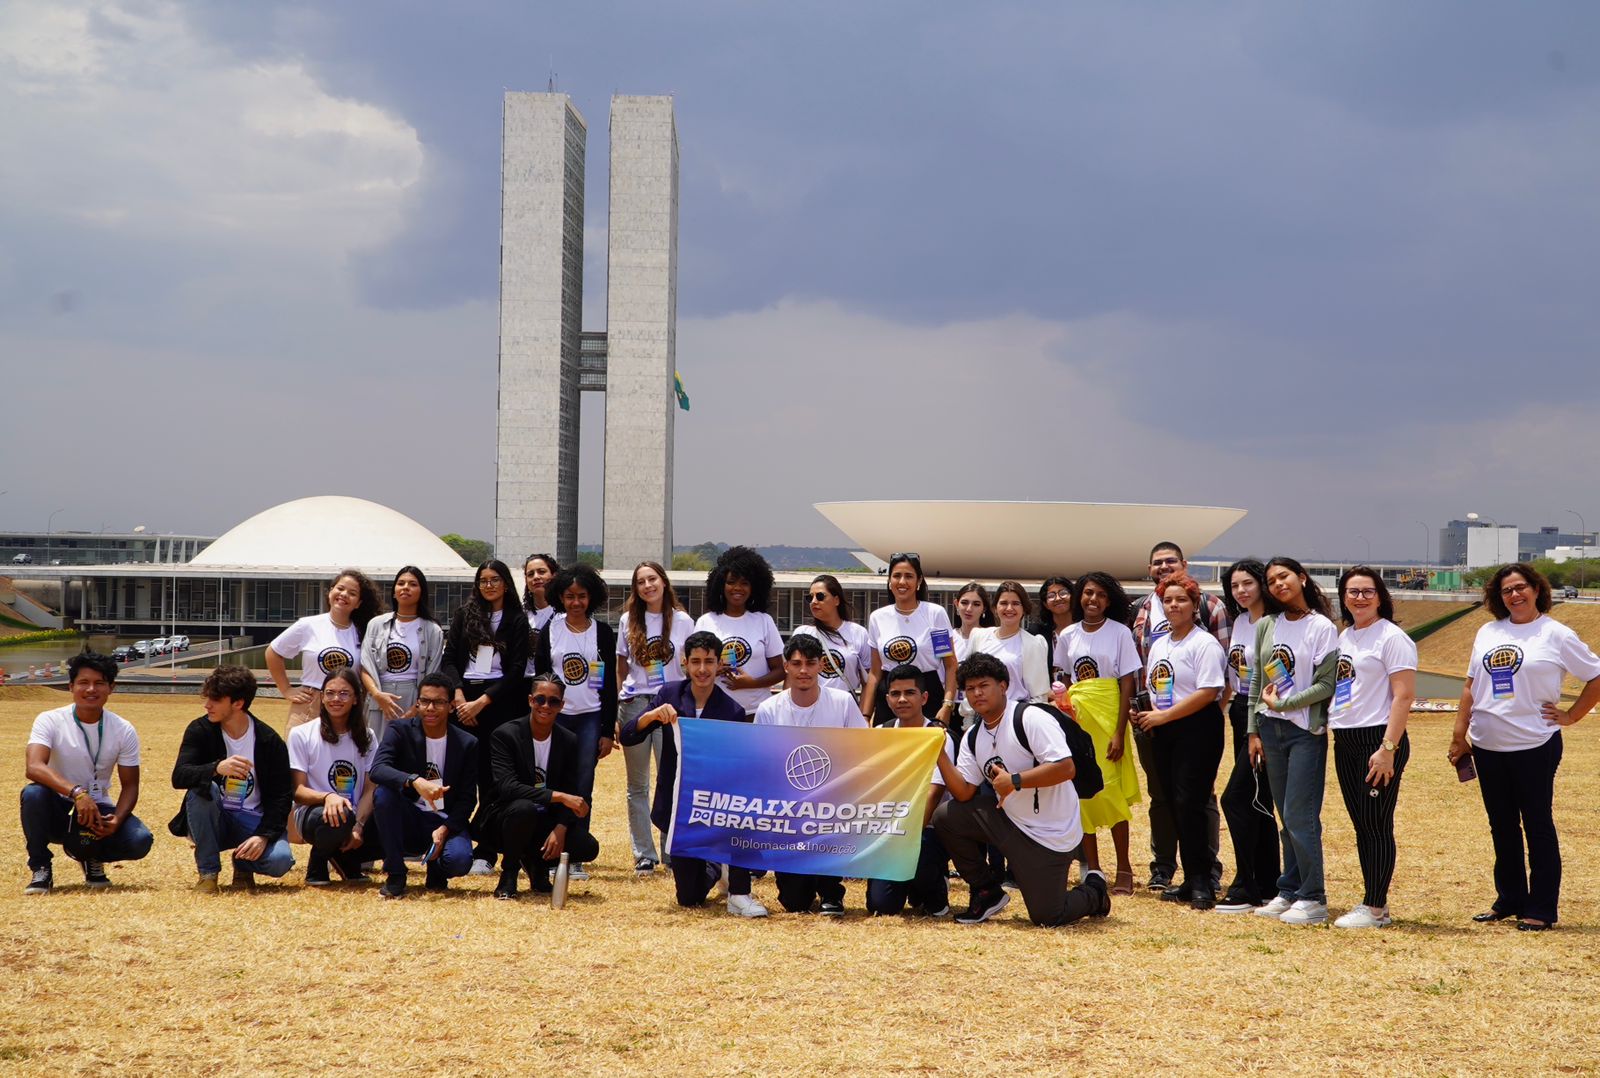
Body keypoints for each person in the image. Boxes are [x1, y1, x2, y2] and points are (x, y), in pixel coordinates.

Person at [1448, 563, 1600, 932]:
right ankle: (1510, 898)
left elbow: (1595, 676)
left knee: (1537, 825)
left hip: (1534, 743)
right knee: (1501, 825)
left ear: (1536, 589)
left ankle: (1542, 907)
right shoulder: (1488, 631)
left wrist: (1573, 715)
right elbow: (1471, 686)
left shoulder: (1556, 634)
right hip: (1487, 744)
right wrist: (1459, 732)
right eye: (1506, 591)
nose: (1514, 595)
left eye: (1520, 587)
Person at [932, 653, 1110, 926]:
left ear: (1003, 686)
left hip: (1050, 834)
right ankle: (987, 891)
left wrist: (1015, 781)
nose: (977, 693)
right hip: (1010, 824)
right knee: (947, 816)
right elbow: (965, 793)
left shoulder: (1030, 718)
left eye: (984, 685)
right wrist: (939, 753)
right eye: (970, 688)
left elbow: (1065, 768)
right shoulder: (973, 736)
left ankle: (1095, 891)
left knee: (1048, 916)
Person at [620, 630, 768, 916]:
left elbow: (737, 767)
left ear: (719, 664)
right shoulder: (669, 694)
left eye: (709, 662)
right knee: (689, 899)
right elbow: (628, 737)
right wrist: (651, 716)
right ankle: (714, 867)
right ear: (684, 662)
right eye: (696, 661)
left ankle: (730, 877)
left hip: (715, 806)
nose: (702, 669)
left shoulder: (732, 711)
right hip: (678, 806)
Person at [1127, 541, 1228, 892]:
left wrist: (1163, 717)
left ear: (1194, 604)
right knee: (1172, 801)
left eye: (1181, 600)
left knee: (1194, 802)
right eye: (1168, 600)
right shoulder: (1161, 643)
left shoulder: (1204, 643)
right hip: (1163, 727)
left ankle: (1202, 879)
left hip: (1195, 727)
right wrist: (1147, 713)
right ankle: (1187, 878)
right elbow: (1154, 682)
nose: (1174, 606)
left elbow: (1208, 691)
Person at [1247, 556, 1338, 926]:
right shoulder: (1267, 624)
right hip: (1271, 729)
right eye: (1271, 580)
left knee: (1302, 815)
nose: (1278, 584)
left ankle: (1314, 897)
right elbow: (1257, 679)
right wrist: (1253, 728)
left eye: (1284, 576)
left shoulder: (1323, 626)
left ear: (1302, 578)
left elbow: (1326, 684)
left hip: (1305, 731)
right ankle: (1289, 889)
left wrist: (1285, 704)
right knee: (1287, 815)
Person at [1328, 567, 1416, 929]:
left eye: (1367, 591)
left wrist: (1388, 748)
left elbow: (1404, 695)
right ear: (1343, 597)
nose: (1359, 598)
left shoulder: (1392, 637)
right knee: (1362, 825)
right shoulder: (1344, 636)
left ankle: (1376, 907)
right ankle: (1373, 899)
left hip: (1378, 740)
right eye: (1352, 592)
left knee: (1377, 824)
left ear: (1380, 596)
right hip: (1345, 737)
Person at [21, 653, 153, 894]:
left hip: (98, 811)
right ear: (71, 686)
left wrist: (118, 820)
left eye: (100, 683)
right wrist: (78, 794)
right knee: (33, 794)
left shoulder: (123, 729)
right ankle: (40, 866)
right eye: (83, 682)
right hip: (58, 808)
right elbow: (34, 767)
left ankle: (91, 855)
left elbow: (130, 786)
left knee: (140, 840)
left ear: (111, 688)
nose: (91, 689)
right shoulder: (49, 720)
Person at [756, 634, 868, 914]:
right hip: (788, 808)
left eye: (810, 663)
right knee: (795, 903)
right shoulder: (769, 709)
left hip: (833, 802)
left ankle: (832, 890)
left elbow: (863, 748)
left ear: (821, 666)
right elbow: (760, 760)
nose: (803, 670)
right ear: (786, 667)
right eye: (796, 664)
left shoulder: (842, 702)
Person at [1054, 571, 1141, 895]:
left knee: (1112, 793)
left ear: (1110, 600)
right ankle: (1094, 869)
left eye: (1101, 595)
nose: (1093, 600)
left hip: (1108, 720)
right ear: (1080, 597)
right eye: (1088, 593)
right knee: (1083, 795)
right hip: (1078, 720)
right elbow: (1063, 678)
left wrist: (1119, 732)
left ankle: (1125, 869)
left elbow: (1127, 682)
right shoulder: (1068, 635)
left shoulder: (1120, 633)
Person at [170, 666, 294, 892]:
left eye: (215, 699)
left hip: (252, 820)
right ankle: (208, 874)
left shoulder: (268, 740)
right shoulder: (200, 730)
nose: (207, 705)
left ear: (238, 703)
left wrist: (263, 836)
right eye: (207, 697)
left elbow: (282, 797)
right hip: (215, 819)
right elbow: (179, 776)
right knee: (203, 791)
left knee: (280, 861)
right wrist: (216, 768)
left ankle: (243, 864)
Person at [442, 559, 530, 875]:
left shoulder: (517, 621)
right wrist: (460, 697)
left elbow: (518, 671)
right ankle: (455, 840)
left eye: (495, 579)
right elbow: (449, 660)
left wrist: (482, 702)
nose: (488, 585)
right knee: (464, 775)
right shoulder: (465, 616)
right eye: (483, 580)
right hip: (463, 702)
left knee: (494, 782)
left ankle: (488, 850)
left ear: (506, 583)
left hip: (499, 704)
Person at [534, 563, 618, 882]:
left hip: (589, 718)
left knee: (583, 785)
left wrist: (607, 731)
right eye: (569, 596)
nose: (576, 602)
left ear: (591, 597)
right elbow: (540, 677)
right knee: (553, 782)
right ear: (560, 597)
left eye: (582, 596)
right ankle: (548, 849)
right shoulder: (550, 630)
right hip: (555, 718)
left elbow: (608, 685)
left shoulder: (603, 632)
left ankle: (576, 854)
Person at [482, 673, 599, 900]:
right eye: (540, 699)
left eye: (553, 701)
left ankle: (538, 866)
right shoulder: (505, 735)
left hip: (544, 819)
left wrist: (561, 828)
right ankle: (509, 874)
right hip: (504, 819)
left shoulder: (568, 741)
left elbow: (573, 789)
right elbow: (508, 788)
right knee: (523, 809)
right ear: (529, 700)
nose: (546, 706)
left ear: (562, 705)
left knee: (587, 847)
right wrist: (559, 797)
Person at [616, 560, 696, 875]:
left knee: (671, 780)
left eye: (653, 579)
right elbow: (621, 667)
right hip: (635, 705)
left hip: (671, 705)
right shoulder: (626, 620)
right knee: (637, 785)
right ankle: (643, 854)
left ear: (663, 582)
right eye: (641, 582)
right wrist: (618, 706)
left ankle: (670, 850)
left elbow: (689, 666)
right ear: (636, 588)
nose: (648, 586)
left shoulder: (684, 621)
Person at [369, 672, 478, 898]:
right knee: (384, 794)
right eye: (425, 701)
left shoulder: (467, 743)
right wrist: (414, 781)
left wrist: (445, 829)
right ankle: (396, 873)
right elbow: (378, 769)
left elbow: (468, 799)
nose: (430, 708)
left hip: (443, 820)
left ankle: (437, 867)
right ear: (417, 703)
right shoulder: (399, 730)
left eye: (438, 702)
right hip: (409, 818)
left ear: (450, 706)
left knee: (458, 861)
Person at [1215, 559, 1280, 913]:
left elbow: (1277, 675)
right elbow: (1233, 673)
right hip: (1239, 710)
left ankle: (1246, 883)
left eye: (1247, 584)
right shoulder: (1240, 621)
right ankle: (1270, 883)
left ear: (1262, 584)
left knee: (1236, 798)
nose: (1241, 591)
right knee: (1259, 801)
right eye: (1235, 586)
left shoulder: (1275, 623)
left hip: (1265, 713)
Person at [865, 665, 953, 918]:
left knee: (922, 858)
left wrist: (902, 835)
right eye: (895, 694)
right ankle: (910, 884)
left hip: (924, 831)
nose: (902, 699)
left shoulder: (939, 735)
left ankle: (935, 886)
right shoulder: (878, 734)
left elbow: (934, 794)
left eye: (910, 692)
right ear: (887, 699)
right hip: (887, 829)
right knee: (881, 906)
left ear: (924, 698)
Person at [287, 668, 378, 885]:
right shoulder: (301, 734)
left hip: (354, 815)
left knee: (387, 811)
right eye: (329, 693)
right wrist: (328, 797)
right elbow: (298, 792)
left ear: (356, 699)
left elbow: (369, 788)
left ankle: (345, 856)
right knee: (339, 815)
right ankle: (317, 864)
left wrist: (359, 826)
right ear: (321, 697)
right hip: (312, 814)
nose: (336, 699)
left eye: (344, 693)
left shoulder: (367, 736)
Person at [267, 569, 384, 730]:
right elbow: (273, 652)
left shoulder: (363, 632)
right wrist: (286, 689)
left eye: (352, 593)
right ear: (330, 592)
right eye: (340, 588)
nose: (343, 594)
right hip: (309, 705)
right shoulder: (308, 625)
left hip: (347, 708)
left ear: (358, 603)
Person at [861, 553, 958, 726]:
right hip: (891, 696)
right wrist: (866, 715)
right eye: (897, 576)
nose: (902, 582)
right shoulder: (878, 617)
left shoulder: (934, 614)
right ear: (890, 581)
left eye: (909, 576)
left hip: (927, 693)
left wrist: (947, 705)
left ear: (919, 581)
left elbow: (950, 665)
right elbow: (875, 673)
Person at [694, 546, 785, 718]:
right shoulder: (706, 621)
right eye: (731, 582)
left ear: (754, 588)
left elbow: (780, 670)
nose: (737, 588)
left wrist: (752, 683)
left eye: (745, 583)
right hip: (717, 711)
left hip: (757, 712)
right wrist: (713, 670)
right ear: (721, 585)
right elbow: (693, 669)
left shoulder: (763, 621)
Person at [359, 565, 445, 746]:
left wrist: (416, 708)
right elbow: (365, 665)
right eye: (401, 583)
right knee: (374, 749)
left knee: (410, 750)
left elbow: (433, 673)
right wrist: (377, 695)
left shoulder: (432, 630)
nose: (405, 587)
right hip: (380, 694)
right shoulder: (376, 624)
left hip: (414, 695)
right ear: (394, 591)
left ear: (422, 591)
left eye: (413, 584)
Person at [791, 574, 872, 701]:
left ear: (836, 600)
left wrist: (865, 715)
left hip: (845, 704)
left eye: (820, 596)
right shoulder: (802, 633)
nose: (814, 602)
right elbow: (791, 677)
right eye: (809, 598)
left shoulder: (858, 633)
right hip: (808, 703)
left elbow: (868, 681)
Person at [970, 581, 1051, 704]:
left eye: (1016, 603)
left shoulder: (1034, 644)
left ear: (1024, 609)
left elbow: (1039, 696)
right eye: (1003, 603)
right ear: (995, 608)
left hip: (1016, 714)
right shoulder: (979, 636)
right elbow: (971, 681)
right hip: (981, 715)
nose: (1009, 608)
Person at [1032, 575, 1076, 673]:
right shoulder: (1036, 633)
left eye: (1063, 593)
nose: (1058, 598)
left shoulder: (1085, 629)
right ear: (1045, 604)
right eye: (1051, 596)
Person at [951, 582, 995, 663]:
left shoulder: (992, 638)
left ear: (984, 608)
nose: (969, 609)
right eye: (964, 603)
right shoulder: (948, 638)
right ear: (956, 604)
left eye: (976, 604)